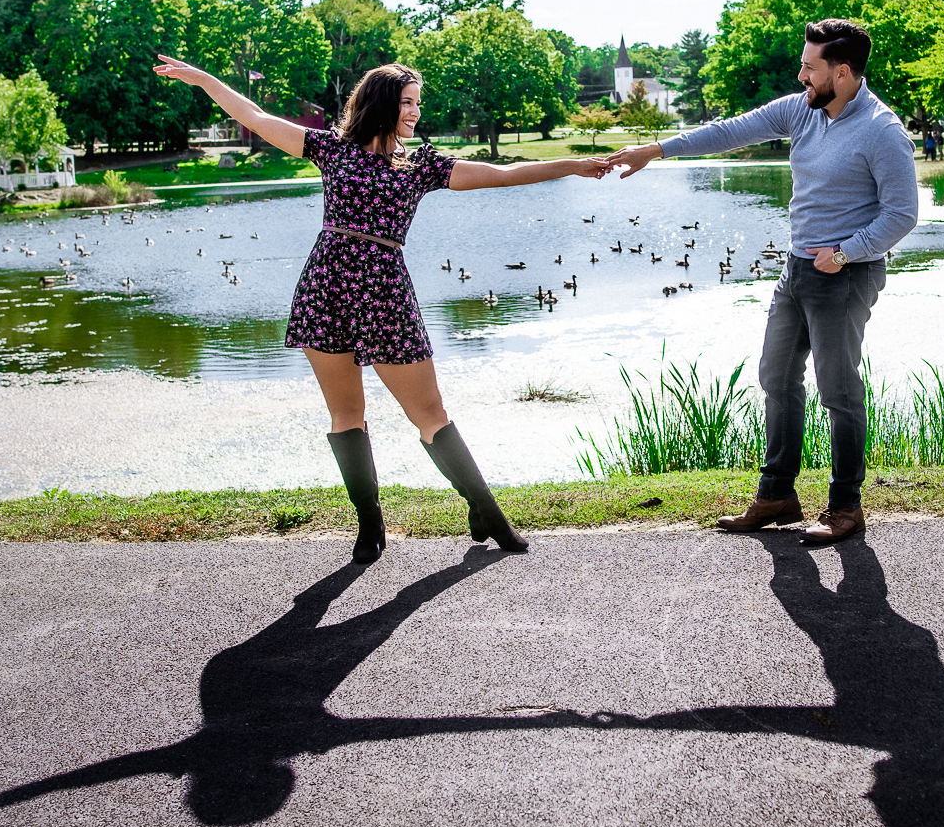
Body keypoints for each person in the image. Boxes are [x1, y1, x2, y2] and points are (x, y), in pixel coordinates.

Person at [153, 55, 609, 565]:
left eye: (418, 104)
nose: (415, 113)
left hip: (386, 291)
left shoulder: (421, 166)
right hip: (326, 287)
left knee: (429, 412)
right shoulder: (330, 148)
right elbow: (256, 118)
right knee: (346, 412)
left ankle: (486, 509)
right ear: (382, 103)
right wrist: (201, 78)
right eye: (408, 103)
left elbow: (502, 174)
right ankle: (369, 523)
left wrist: (571, 165)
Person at [605, 19, 919, 546]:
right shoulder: (804, 110)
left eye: (810, 68)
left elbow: (902, 214)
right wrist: (654, 151)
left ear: (842, 73)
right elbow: (730, 130)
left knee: (838, 391)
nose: (801, 76)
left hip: (844, 274)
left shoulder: (882, 132)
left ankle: (846, 506)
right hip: (796, 270)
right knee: (776, 377)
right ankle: (777, 496)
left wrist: (845, 253)